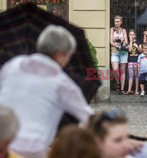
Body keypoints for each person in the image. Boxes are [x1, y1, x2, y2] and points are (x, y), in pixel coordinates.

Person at [0, 25, 94, 158]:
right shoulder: (62, 83)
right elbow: (90, 119)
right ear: (60, 54)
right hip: (30, 151)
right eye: (68, 56)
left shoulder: (13, 64)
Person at [110, 15, 128, 93]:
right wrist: (117, 45)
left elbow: (126, 41)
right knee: (115, 69)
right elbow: (110, 41)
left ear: (121, 22)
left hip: (123, 52)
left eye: (118, 21)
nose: (116, 23)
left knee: (122, 70)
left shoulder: (123, 30)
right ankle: (117, 83)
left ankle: (122, 88)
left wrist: (123, 43)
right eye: (115, 21)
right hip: (114, 52)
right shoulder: (112, 29)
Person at [124, 29, 141, 95]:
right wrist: (131, 42)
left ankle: (136, 90)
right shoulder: (128, 43)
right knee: (130, 76)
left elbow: (140, 51)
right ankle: (129, 90)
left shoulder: (138, 42)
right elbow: (130, 50)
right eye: (130, 35)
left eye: (133, 34)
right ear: (128, 35)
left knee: (136, 76)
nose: (132, 36)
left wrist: (137, 46)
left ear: (135, 35)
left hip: (137, 61)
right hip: (130, 61)